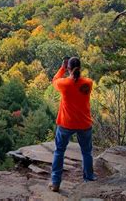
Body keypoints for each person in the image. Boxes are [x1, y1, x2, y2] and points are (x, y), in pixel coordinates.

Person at [49, 56, 95, 193]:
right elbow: (80, 85)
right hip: (84, 123)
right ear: (80, 68)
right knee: (87, 152)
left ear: (69, 68)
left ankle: (56, 183)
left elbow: (54, 80)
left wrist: (62, 68)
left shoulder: (64, 84)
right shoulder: (88, 83)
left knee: (59, 151)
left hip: (66, 123)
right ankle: (89, 179)